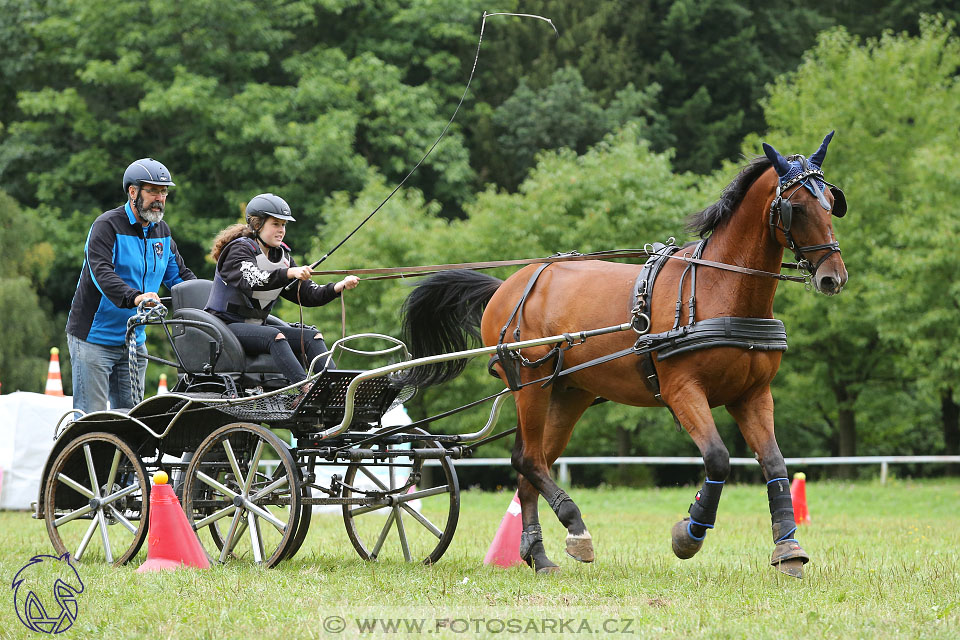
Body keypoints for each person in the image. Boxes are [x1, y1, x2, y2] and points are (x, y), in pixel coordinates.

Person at [66, 158, 196, 414]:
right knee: (92, 420)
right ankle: (87, 455)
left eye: (164, 191)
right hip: (94, 339)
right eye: (153, 191)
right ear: (133, 192)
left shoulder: (162, 232)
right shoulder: (107, 226)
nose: (159, 198)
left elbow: (180, 278)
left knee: (132, 422)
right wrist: (135, 297)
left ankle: (123, 457)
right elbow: (101, 273)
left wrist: (210, 300)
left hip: (134, 340)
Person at [205, 193, 358, 403]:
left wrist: (337, 287)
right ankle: (306, 391)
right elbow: (254, 280)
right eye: (275, 224)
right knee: (275, 336)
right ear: (257, 224)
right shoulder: (238, 250)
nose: (281, 230)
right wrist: (289, 274)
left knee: (312, 337)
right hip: (226, 326)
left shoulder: (282, 257)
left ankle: (339, 393)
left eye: (284, 225)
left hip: (258, 326)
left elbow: (308, 294)